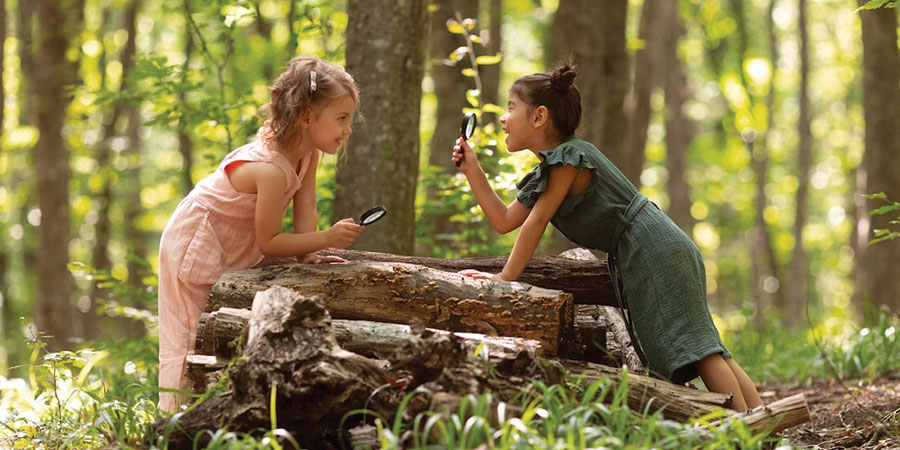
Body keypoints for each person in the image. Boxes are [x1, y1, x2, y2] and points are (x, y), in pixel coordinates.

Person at [451, 64, 763, 411]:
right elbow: (505, 220)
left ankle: (745, 434)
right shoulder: (551, 170)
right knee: (707, 346)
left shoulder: (569, 158)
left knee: (699, 350)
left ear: (539, 116)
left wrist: (504, 279)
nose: (504, 118)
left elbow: (535, 223)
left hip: (654, 248)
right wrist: (473, 170)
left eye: (510, 107)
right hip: (658, 245)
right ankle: (763, 428)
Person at [157, 56, 365, 411]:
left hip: (231, 242)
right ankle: (171, 422)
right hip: (196, 239)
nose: (347, 129)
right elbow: (270, 241)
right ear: (307, 117)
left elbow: (306, 204)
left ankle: (219, 416)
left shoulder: (306, 154)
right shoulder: (269, 169)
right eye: (341, 119)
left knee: (218, 328)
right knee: (186, 337)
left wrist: (308, 252)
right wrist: (327, 237)